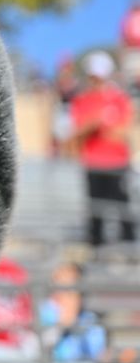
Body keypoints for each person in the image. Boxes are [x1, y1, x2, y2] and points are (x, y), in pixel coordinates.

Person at [70, 51, 135, 246]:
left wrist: (102, 128)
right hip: (94, 164)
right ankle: (96, 247)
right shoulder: (81, 100)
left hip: (117, 164)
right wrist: (94, 123)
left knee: (123, 209)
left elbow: (124, 132)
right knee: (95, 211)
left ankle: (128, 247)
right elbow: (77, 134)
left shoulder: (120, 99)